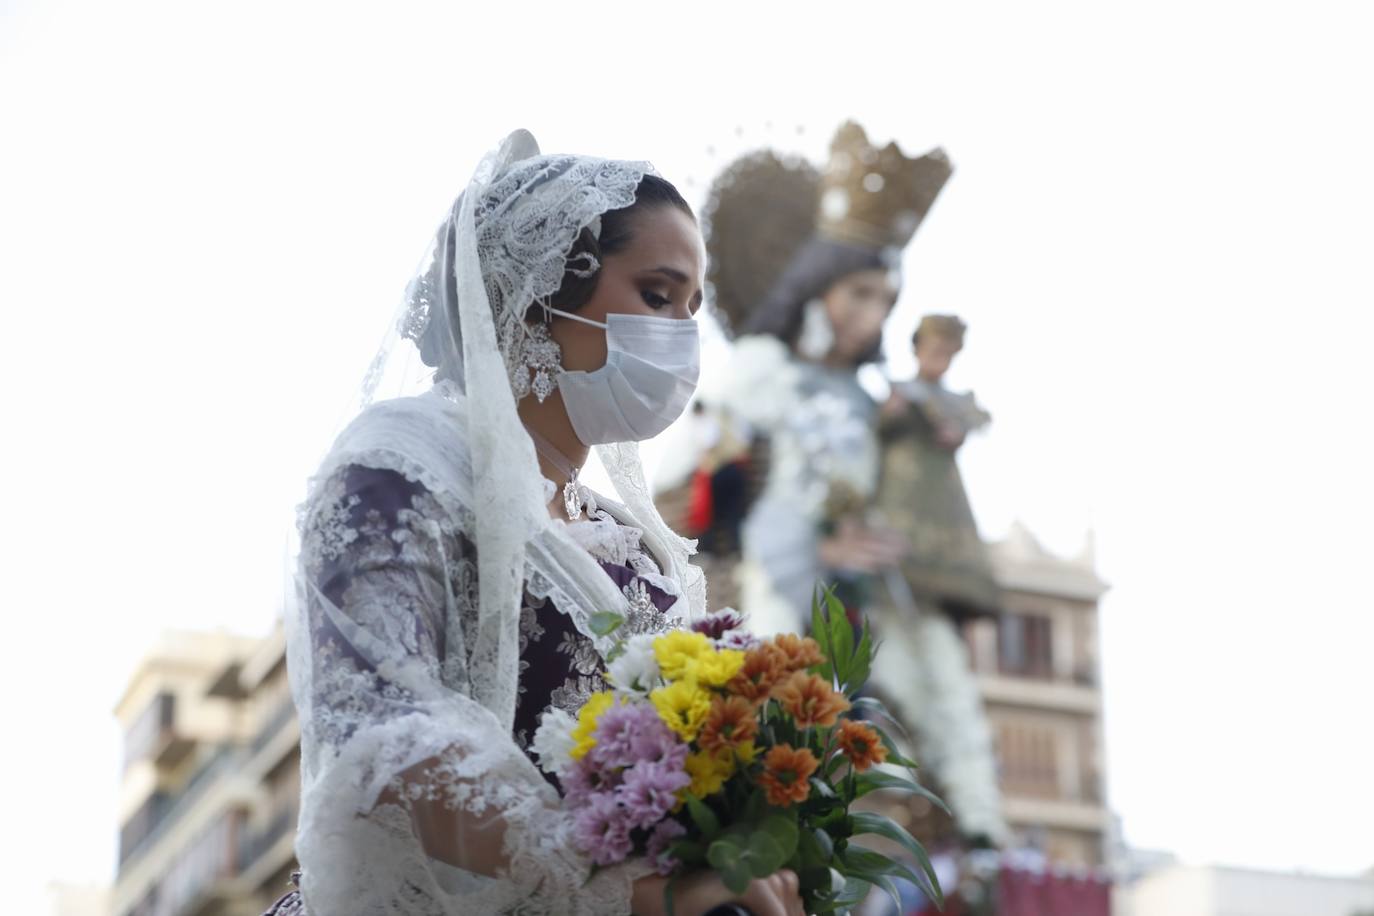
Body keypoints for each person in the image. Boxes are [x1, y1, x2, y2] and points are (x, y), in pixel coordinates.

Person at [270, 131, 804, 916]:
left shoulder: (636, 545)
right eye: (656, 296)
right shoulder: (404, 463)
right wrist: (630, 892)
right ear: (537, 294)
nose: (681, 335)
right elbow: (382, 729)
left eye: (692, 308)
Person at [701, 121, 954, 637]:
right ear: (817, 287)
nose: (875, 315)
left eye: (886, 299)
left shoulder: (872, 403)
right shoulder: (755, 376)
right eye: (861, 293)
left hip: (857, 619)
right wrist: (815, 551)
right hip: (761, 609)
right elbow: (695, 507)